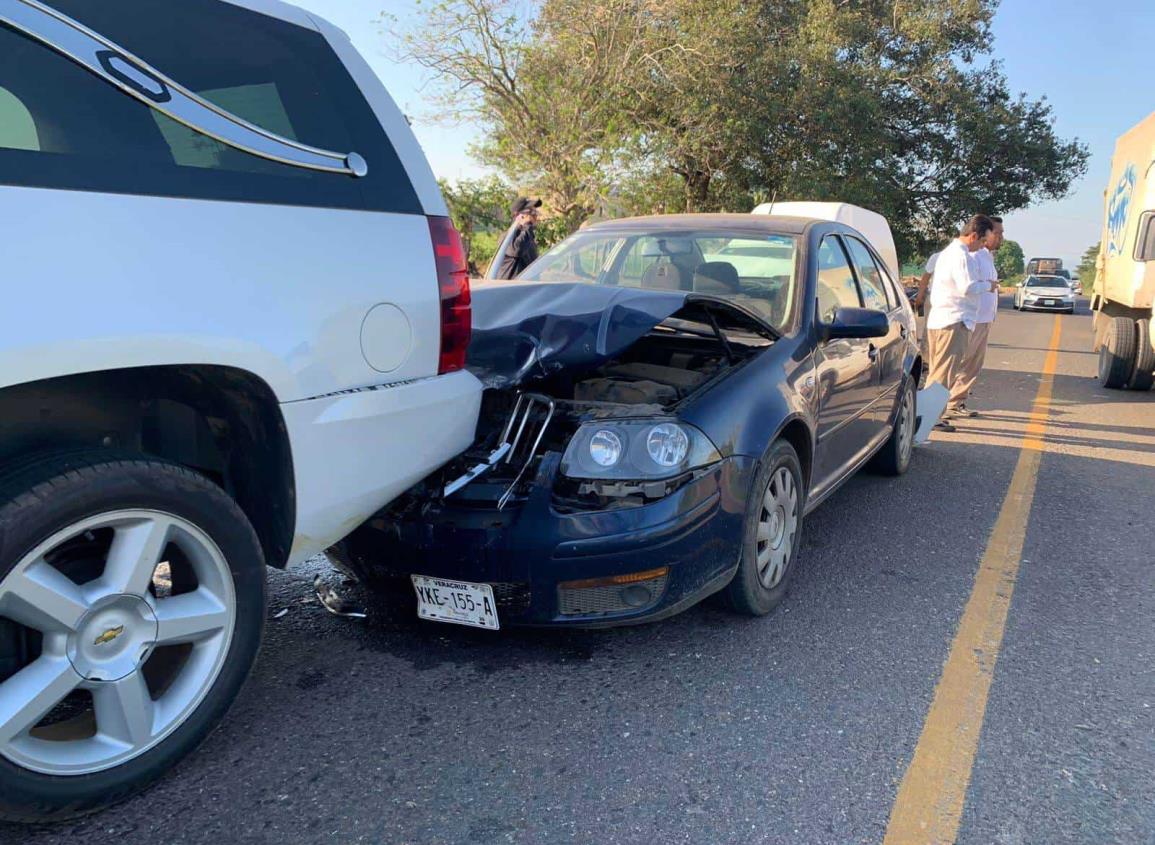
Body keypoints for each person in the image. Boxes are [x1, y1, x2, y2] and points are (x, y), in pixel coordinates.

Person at [925, 214, 998, 432]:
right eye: (982, 241)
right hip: (953, 321)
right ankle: (931, 417)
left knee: (938, 370)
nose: (982, 246)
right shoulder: (961, 255)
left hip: (944, 319)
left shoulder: (951, 253)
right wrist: (989, 285)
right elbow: (966, 287)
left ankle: (929, 416)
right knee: (944, 373)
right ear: (973, 235)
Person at [950, 216, 1004, 417]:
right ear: (984, 235)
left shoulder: (987, 256)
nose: (1001, 238)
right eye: (997, 234)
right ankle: (948, 404)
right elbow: (968, 287)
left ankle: (956, 402)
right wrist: (989, 286)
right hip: (973, 320)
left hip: (984, 320)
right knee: (962, 364)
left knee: (973, 365)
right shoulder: (972, 256)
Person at [495, 197, 541, 280]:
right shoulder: (507, 237)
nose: (535, 215)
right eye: (532, 212)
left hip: (526, 288)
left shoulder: (528, 235)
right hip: (510, 289)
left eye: (536, 212)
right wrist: (527, 225)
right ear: (519, 216)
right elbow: (517, 250)